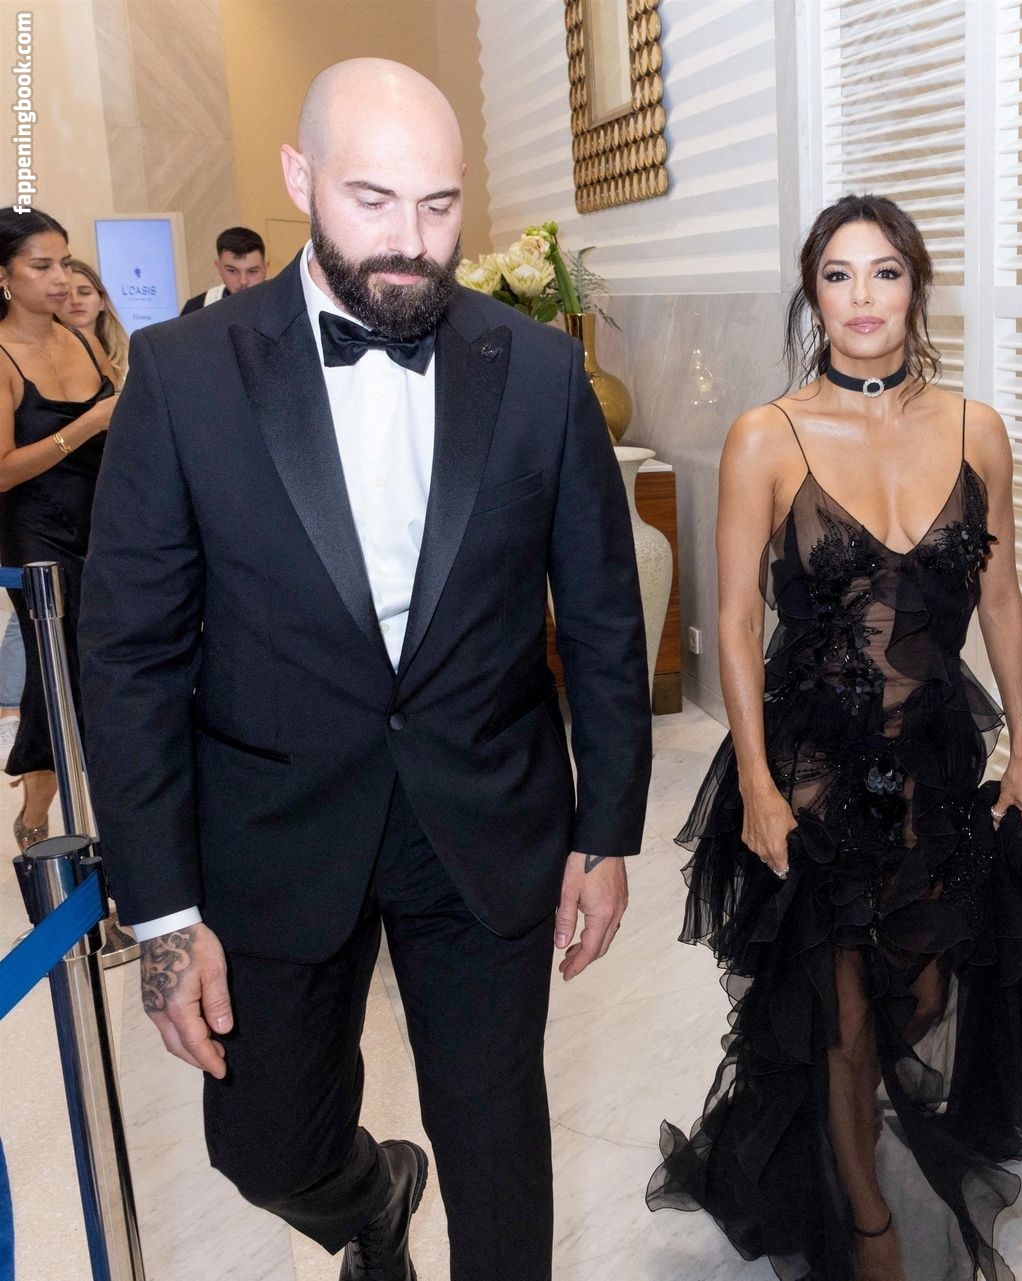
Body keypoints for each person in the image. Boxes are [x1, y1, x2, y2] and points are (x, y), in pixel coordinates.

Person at [80, 59, 651, 1280]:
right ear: (299, 178)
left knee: (498, 1152)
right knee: (264, 1148)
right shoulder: (183, 375)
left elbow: (605, 616)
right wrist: (165, 913)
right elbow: (130, 657)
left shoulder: (537, 369)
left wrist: (606, 832)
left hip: (484, 818)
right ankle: (373, 1194)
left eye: (439, 205)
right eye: (373, 199)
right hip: (274, 827)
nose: (411, 241)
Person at [647, 194, 1022, 1281]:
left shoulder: (977, 429)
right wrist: (756, 782)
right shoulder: (767, 435)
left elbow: (1001, 598)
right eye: (839, 275)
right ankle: (869, 1231)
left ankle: (857, 1150)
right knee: (844, 1006)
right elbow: (736, 619)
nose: (863, 297)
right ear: (813, 295)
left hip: (939, 756)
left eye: (885, 272)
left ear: (917, 288)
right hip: (812, 763)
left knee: (927, 985)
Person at [0, 209, 118, 850]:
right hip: (38, 539)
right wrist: (88, 424)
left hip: (106, 528)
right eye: (41, 265)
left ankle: (95, 817)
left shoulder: (82, 340)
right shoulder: (1, 355)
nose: (60, 278)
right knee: (61, 674)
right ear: (3, 275)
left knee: (102, 673)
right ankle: (46, 819)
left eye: (65, 263)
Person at [65, 259, 131, 383]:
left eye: (84, 293)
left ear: (102, 302)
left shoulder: (131, 356)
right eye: (65, 295)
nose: (75, 301)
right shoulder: (43, 357)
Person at [179, 225, 267, 314]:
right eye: (232, 271)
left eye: (252, 271)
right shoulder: (196, 308)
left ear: (265, 268)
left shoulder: (276, 302)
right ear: (219, 268)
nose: (243, 281)